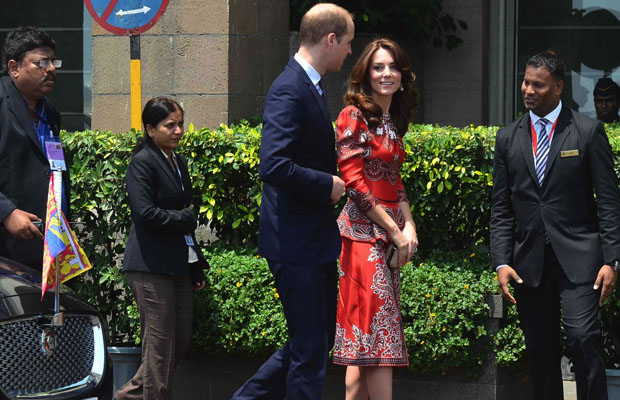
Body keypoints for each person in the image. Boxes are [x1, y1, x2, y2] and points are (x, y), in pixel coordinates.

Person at [231, 3, 354, 399]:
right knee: (310, 346)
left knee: (315, 340)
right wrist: (327, 185)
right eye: (348, 42)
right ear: (330, 39)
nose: (350, 52)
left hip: (310, 240)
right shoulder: (290, 87)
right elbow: (274, 164)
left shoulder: (309, 84)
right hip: (295, 241)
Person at [490, 51, 620, 400]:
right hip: (529, 262)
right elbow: (501, 207)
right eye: (525, 82)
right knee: (541, 351)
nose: (528, 90)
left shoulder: (587, 131)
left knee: (583, 339)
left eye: (538, 84)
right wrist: (501, 261)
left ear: (559, 87)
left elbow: (608, 200)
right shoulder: (508, 138)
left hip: (580, 259)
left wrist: (612, 259)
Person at [333, 38, 418, 400]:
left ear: (403, 74)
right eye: (378, 67)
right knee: (380, 336)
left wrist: (409, 225)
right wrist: (397, 230)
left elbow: (394, 182)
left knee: (363, 340)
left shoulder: (391, 120)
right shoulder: (352, 115)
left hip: (386, 235)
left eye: (393, 67)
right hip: (361, 238)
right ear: (365, 74)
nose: (387, 74)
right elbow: (355, 185)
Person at [116, 97, 208, 400]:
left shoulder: (177, 161)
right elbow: (145, 213)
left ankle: (127, 396)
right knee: (159, 347)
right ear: (150, 129)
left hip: (178, 264)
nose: (178, 130)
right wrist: (186, 217)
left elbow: (184, 216)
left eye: (180, 123)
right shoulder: (142, 161)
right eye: (170, 125)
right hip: (150, 266)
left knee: (177, 342)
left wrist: (195, 265)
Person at [0, 26, 69, 269]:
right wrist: (6, 213)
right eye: (41, 62)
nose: (50, 69)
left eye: (53, 61)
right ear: (14, 68)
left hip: (45, 247)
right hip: (6, 250)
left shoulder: (50, 113)